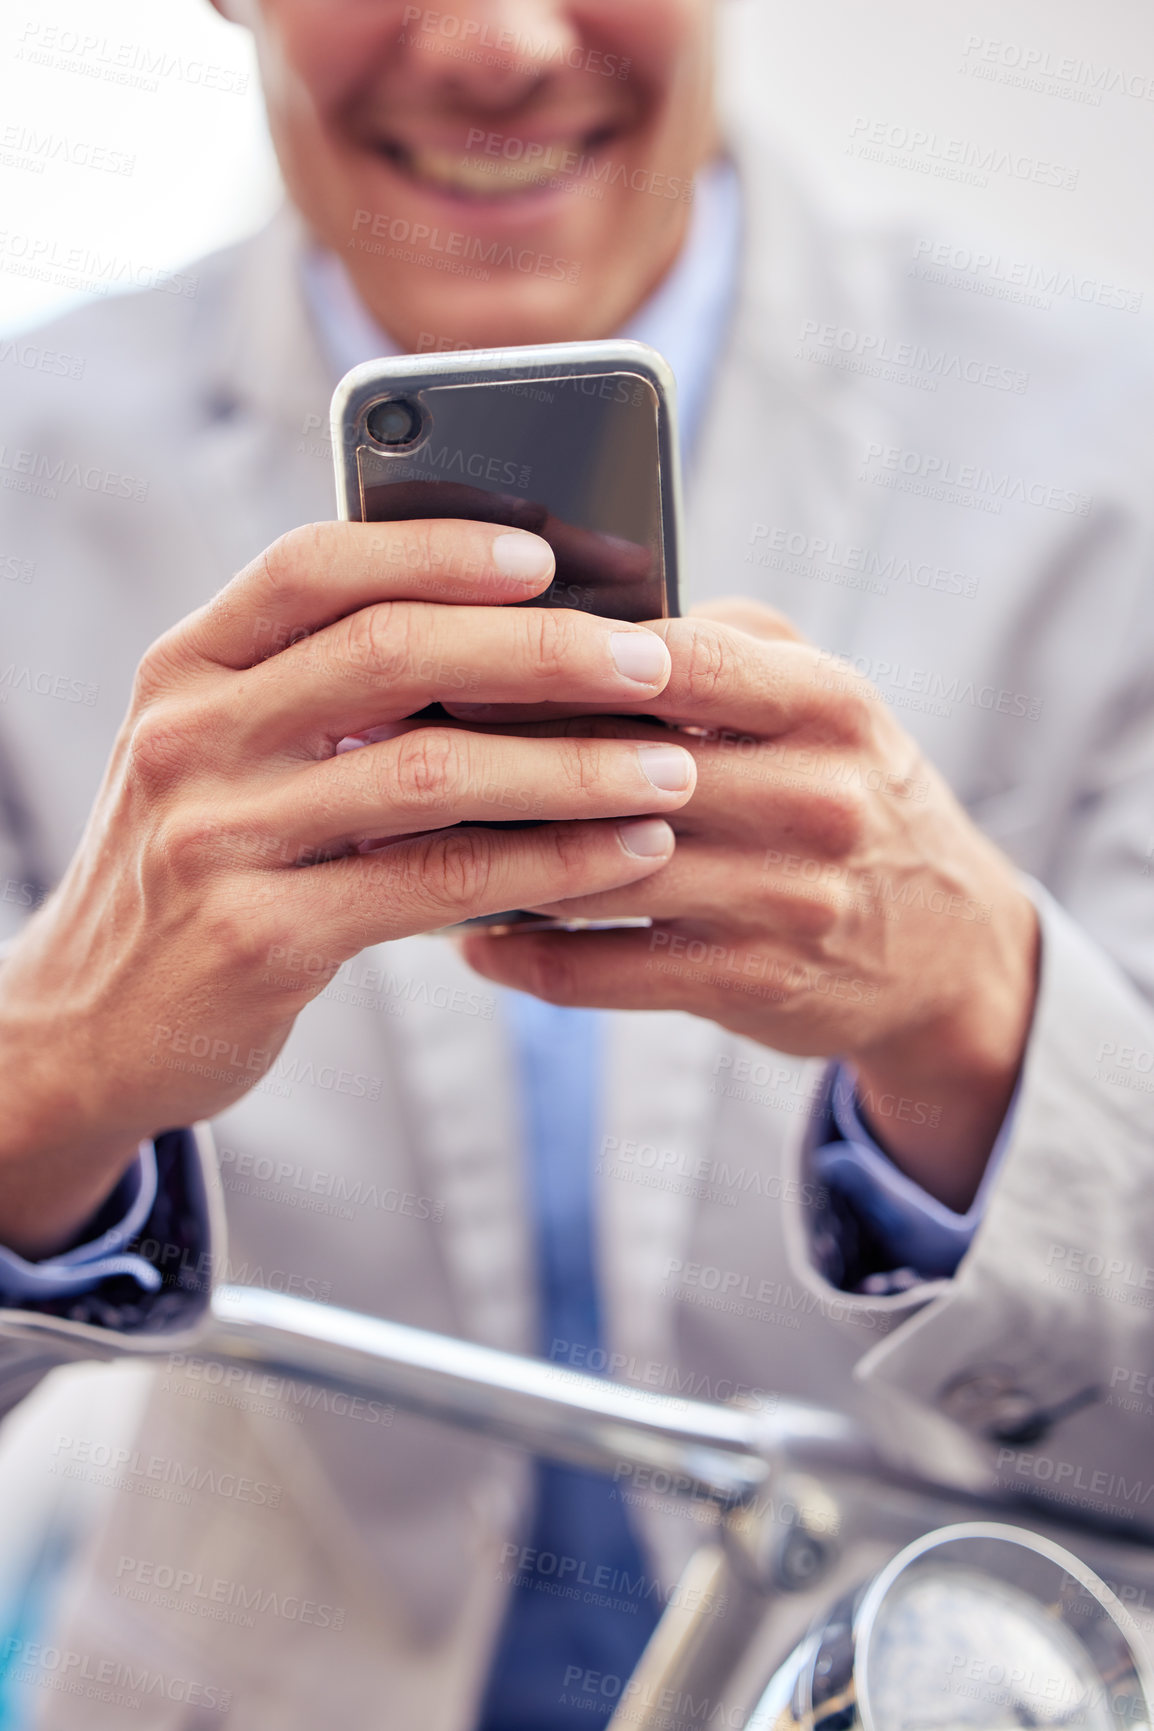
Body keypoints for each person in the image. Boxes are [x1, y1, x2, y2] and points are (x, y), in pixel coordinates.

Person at [0, 0, 1152, 1723]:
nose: (500, 43)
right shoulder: (23, 477)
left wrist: (980, 1018)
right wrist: (49, 1074)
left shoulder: (1110, 444)